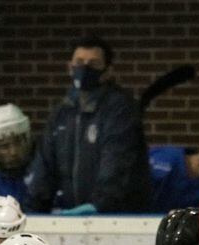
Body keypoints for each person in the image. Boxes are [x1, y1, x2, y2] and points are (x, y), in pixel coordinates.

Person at [26, 34, 150, 214]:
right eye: (79, 62)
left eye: (93, 64)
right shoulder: (62, 113)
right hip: (69, 219)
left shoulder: (120, 110)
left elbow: (117, 162)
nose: (84, 68)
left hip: (116, 218)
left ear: (107, 71)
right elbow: (44, 166)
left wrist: (99, 205)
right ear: (70, 67)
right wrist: (33, 210)